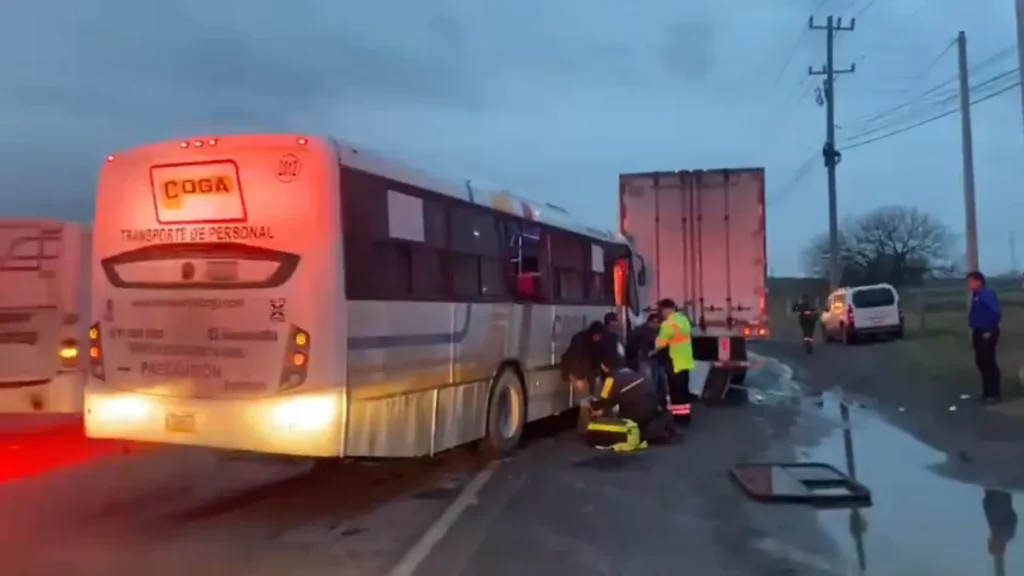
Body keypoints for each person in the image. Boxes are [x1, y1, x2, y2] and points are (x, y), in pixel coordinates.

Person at [589, 338, 678, 444]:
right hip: (652, 411)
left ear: (603, 366)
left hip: (635, 418)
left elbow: (603, 402)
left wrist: (593, 406)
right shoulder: (633, 372)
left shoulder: (611, 379)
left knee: (606, 412)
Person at [654, 298, 695, 419]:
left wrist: (654, 349)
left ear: (667, 310)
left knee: (675, 392)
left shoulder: (668, 324)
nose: (661, 313)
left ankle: (677, 417)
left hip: (674, 362)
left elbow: (660, 344)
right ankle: (685, 415)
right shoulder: (684, 320)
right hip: (685, 360)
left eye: (661, 310)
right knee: (683, 391)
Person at [968, 271, 1002, 402]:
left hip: (987, 332)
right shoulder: (976, 296)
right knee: (981, 361)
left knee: (988, 362)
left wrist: (989, 330)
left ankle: (994, 393)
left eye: (971, 281)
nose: (969, 285)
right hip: (978, 331)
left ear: (979, 281)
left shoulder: (986, 295)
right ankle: (987, 392)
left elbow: (996, 313)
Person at [561, 320, 605, 397]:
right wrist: (579, 378)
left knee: (590, 397)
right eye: (598, 336)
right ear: (594, 334)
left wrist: (597, 374)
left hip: (587, 372)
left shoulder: (592, 341)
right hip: (577, 372)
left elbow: (594, 358)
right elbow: (574, 359)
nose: (599, 338)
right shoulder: (580, 340)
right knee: (583, 398)